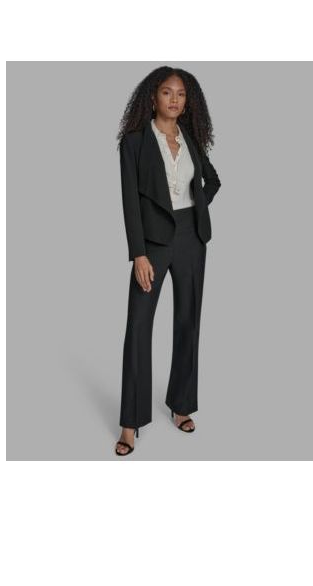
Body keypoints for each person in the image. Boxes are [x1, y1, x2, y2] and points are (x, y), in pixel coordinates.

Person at [115, 66, 221, 456]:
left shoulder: (190, 137)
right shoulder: (134, 142)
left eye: (181, 94)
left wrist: (197, 209)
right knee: (139, 326)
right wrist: (138, 253)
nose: (174, 100)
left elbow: (212, 180)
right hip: (153, 243)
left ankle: (181, 405)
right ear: (153, 97)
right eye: (166, 92)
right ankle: (130, 422)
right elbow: (129, 200)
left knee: (188, 321)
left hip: (192, 238)